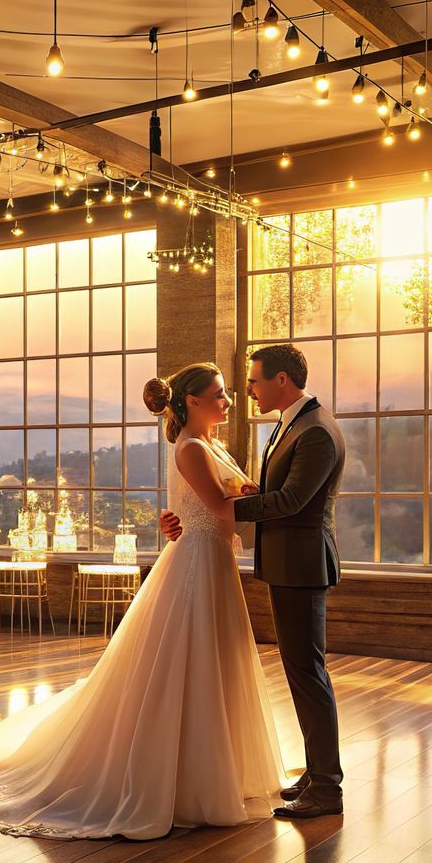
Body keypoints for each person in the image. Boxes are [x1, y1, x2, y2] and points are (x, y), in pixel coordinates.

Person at [0, 362, 285, 839]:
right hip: (198, 561)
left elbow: (207, 505)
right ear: (192, 401)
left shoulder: (209, 445)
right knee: (189, 660)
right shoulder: (191, 447)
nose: (228, 401)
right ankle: (186, 778)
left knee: (213, 661)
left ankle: (213, 769)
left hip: (210, 559)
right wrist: (264, 500)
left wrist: (219, 503)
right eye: (219, 394)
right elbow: (221, 510)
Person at [164, 343, 346, 819]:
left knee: (307, 674)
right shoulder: (292, 424)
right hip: (284, 562)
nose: (246, 391)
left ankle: (327, 789)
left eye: (253, 381)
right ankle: (316, 773)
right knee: (302, 673)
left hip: (302, 564)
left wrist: (215, 508)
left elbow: (291, 500)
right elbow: (264, 492)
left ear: (281, 380)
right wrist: (189, 512)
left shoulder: (315, 430)